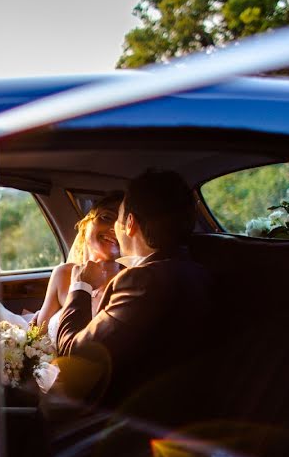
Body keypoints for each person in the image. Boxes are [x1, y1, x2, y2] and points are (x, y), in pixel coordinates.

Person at [56, 170, 212, 408]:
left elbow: (73, 355)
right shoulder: (197, 272)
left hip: (124, 416)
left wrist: (80, 286)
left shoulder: (143, 282)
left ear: (129, 224)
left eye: (117, 218)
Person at [35, 195, 123, 339]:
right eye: (107, 217)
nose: (114, 228)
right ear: (88, 222)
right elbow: (38, 336)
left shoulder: (127, 283)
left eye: (122, 224)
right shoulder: (62, 273)